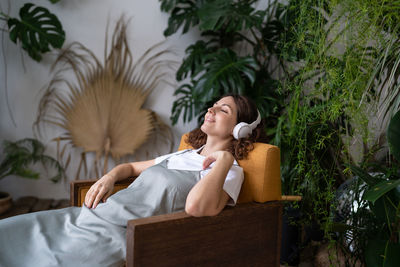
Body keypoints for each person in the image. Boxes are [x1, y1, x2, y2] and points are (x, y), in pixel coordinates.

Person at [0, 94, 264, 267]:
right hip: (87, 218)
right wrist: (109, 177)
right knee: (9, 233)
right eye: (214, 104)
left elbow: (197, 207)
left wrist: (225, 160)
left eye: (223, 109)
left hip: (118, 236)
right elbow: (130, 167)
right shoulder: (184, 154)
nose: (212, 108)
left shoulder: (231, 172)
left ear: (240, 128)